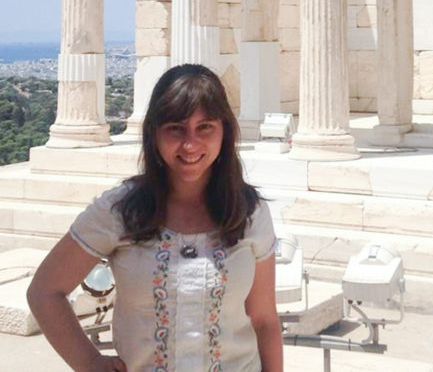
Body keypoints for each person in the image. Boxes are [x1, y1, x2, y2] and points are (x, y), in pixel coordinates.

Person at [27, 64, 283, 372]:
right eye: (176, 128)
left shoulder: (249, 212)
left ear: (224, 131)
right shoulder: (120, 211)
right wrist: (90, 362)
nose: (190, 144)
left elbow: (265, 320)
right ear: (155, 133)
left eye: (205, 128)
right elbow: (44, 291)